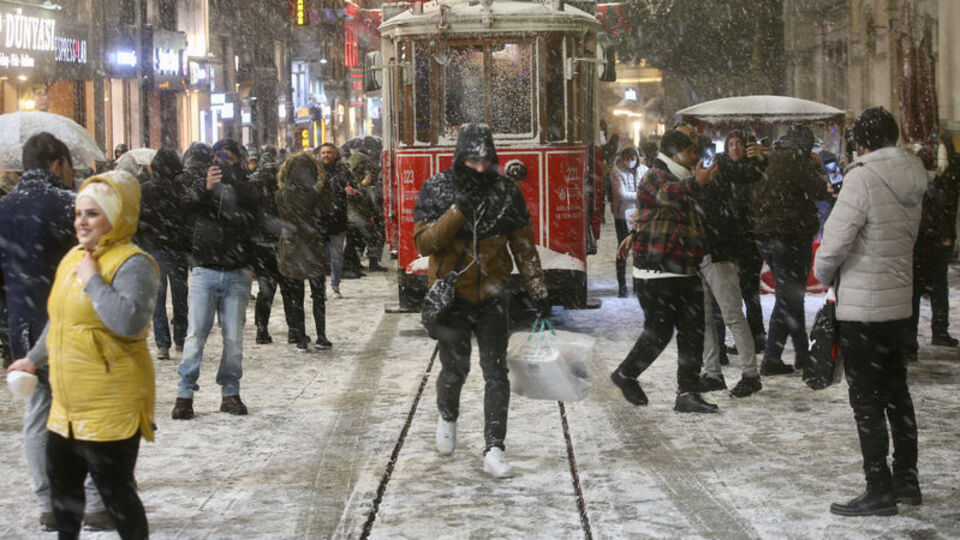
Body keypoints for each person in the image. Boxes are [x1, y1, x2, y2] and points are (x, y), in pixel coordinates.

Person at [7, 170, 159, 538]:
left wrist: (93, 279)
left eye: (92, 213)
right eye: (78, 213)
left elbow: (127, 323)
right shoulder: (73, 257)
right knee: (64, 501)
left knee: (116, 496)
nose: (80, 222)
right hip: (68, 406)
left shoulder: (133, 263)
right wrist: (33, 358)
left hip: (112, 404)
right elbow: (60, 320)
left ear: (116, 216)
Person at [413, 123, 548, 479]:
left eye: (485, 160)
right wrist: (458, 210)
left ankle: (494, 446)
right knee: (455, 370)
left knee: (496, 373)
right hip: (452, 297)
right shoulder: (437, 188)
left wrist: (537, 288)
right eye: (471, 160)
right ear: (460, 159)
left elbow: (523, 243)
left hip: (493, 294)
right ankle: (447, 415)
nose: (478, 167)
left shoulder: (507, 191)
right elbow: (425, 243)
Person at [814, 106, 927, 517]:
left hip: (862, 308)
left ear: (861, 142)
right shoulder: (914, 175)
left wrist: (823, 273)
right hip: (899, 305)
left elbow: (835, 243)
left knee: (865, 400)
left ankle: (878, 487)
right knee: (897, 394)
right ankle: (907, 479)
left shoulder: (861, 177)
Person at [0, 133, 113, 531]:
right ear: (56, 165)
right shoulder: (71, 207)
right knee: (85, 410)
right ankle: (97, 503)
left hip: (23, 325)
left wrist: (9, 332)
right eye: (67, 166)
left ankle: (48, 503)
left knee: (38, 412)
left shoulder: (4, 209)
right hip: (70, 321)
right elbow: (95, 260)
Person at [609, 129, 719, 414]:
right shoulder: (655, 176)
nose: (695, 156)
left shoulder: (682, 179)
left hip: (684, 268)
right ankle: (625, 374)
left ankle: (687, 392)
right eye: (690, 151)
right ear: (675, 154)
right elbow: (667, 195)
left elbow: (661, 213)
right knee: (659, 332)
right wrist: (697, 182)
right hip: (659, 272)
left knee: (691, 333)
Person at [172, 138, 259, 420]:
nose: (223, 162)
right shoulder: (200, 182)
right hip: (205, 269)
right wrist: (205, 189)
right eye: (218, 157)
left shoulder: (247, 185)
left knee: (233, 338)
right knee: (196, 334)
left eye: (229, 157)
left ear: (239, 159)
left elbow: (256, 216)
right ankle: (184, 395)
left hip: (237, 270)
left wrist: (236, 184)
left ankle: (230, 392)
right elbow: (183, 210)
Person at [751, 124, 830, 375]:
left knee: (789, 296)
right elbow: (819, 191)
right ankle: (781, 358)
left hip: (764, 234)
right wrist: (815, 165)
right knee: (790, 297)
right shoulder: (798, 160)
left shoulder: (771, 157)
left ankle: (796, 355)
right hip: (790, 235)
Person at [697, 130, 766, 398]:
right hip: (701, 252)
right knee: (705, 319)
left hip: (720, 252)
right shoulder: (700, 178)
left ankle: (750, 374)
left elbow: (748, 175)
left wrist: (759, 159)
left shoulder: (727, 174)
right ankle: (712, 372)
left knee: (732, 314)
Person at [275, 151, 334, 351]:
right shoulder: (315, 194)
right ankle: (322, 335)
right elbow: (327, 211)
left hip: (291, 249)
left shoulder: (281, 195)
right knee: (318, 295)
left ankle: (300, 337)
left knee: (296, 296)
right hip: (313, 247)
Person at [137, 147, 188, 361]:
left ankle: (162, 344)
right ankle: (180, 338)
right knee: (180, 296)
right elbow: (187, 220)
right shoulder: (181, 190)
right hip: (177, 248)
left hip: (153, 248)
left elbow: (139, 221)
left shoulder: (145, 190)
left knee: (157, 298)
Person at [910, 139, 959, 353]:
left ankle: (910, 341)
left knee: (914, 294)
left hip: (918, 246)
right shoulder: (941, 184)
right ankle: (939, 332)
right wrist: (948, 238)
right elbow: (946, 215)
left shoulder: (911, 186)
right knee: (939, 290)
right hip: (937, 245)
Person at [250, 147, 302, 346]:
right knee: (288, 291)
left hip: (263, 248)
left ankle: (262, 330)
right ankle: (293, 330)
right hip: (281, 246)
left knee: (266, 291)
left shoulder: (254, 189)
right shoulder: (285, 190)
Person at [609, 141, 645, 297]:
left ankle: (639, 284)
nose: (629, 160)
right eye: (626, 157)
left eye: (632, 156)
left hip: (640, 216)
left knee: (640, 251)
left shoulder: (644, 170)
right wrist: (640, 195)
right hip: (622, 216)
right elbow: (621, 195)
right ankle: (622, 286)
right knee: (623, 249)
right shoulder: (616, 172)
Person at [317, 143, 350, 296]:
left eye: (329, 152)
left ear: (335, 154)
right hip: (320, 220)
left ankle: (335, 285)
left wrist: (352, 191)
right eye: (323, 153)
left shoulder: (343, 171)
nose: (326, 155)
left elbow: (355, 188)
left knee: (336, 256)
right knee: (321, 257)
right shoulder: (315, 172)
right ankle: (321, 288)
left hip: (337, 221)